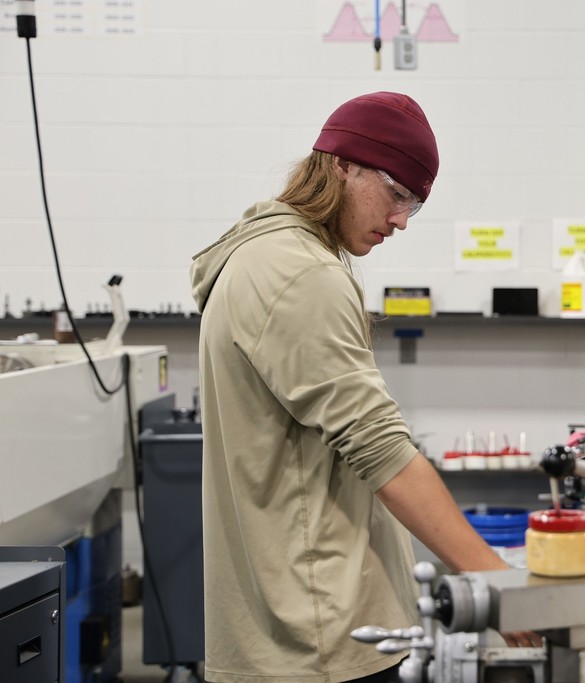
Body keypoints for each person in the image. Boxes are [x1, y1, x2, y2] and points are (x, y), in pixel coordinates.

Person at [189, 91, 540, 683]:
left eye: (415, 205)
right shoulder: (302, 274)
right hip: (322, 632)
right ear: (342, 165)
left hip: (285, 626)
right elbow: (384, 454)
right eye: (398, 193)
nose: (402, 220)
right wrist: (499, 583)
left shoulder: (260, 254)